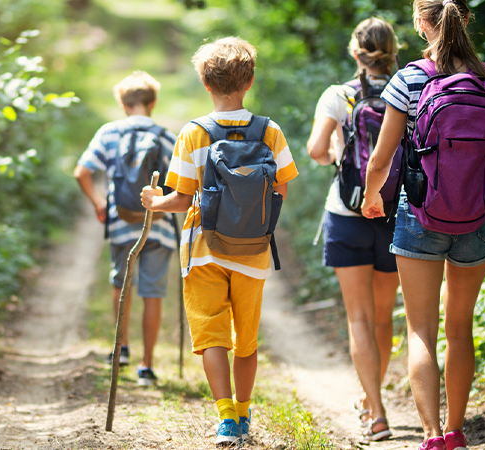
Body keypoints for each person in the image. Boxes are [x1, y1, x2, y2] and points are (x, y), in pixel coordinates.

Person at [360, 0, 485, 449]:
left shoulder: (410, 78)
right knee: (460, 327)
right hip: (476, 219)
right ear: (466, 19)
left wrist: (371, 196)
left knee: (421, 330)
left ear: (420, 22)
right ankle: (457, 431)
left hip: (418, 213)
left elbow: (381, 158)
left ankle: (431, 436)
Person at [141, 37, 297, 445]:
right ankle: (245, 415)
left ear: (205, 84)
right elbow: (281, 189)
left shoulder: (194, 133)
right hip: (254, 252)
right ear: (249, 81)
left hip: (203, 250)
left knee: (212, 336)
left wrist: (154, 202)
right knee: (246, 341)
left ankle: (226, 417)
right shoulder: (271, 131)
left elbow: (179, 198)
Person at [304, 17, 401, 442]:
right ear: (393, 50)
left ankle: (375, 411)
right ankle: (371, 399)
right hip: (395, 213)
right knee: (383, 318)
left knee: (358, 318)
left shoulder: (338, 95)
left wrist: (339, 163)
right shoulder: (408, 90)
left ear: (355, 52)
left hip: (347, 213)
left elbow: (315, 150)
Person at [74, 71, 178, 387]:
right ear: (153, 102)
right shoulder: (166, 136)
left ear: (122, 103)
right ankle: (146, 365)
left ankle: (120, 349)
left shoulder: (109, 133)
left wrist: (98, 203)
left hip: (120, 223)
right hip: (158, 225)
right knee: (153, 292)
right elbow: (183, 184)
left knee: (122, 284)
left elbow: (82, 172)